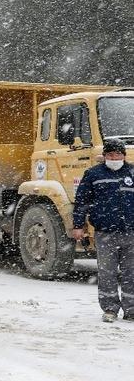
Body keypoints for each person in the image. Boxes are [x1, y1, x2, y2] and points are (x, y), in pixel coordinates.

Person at [72, 138, 134, 323]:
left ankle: (131, 310)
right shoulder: (93, 174)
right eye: (110, 154)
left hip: (131, 233)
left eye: (117, 154)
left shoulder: (132, 172)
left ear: (124, 155)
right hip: (105, 233)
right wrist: (78, 225)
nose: (114, 157)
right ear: (104, 156)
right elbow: (81, 202)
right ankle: (109, 309)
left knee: (131, 272)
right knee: (107, 272)